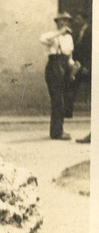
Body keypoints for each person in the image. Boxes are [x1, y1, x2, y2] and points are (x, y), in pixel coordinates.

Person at [40, 12, 75, 140]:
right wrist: (60, 33)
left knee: (64, 99)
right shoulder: (52, 36)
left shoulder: (69, 38)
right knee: (57, 100)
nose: (64, 23)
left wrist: (72, 68)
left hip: (65, 67)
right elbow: (42, 39)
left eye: (66, 21)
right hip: (54, 67)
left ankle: (59, 130)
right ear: (57, 23)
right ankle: (56, 132)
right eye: (61, 21)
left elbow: (69, 56)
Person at [67, 10, 92, 118]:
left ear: (84, 20)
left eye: (78, 19)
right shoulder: (77, 33)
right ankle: (67, 112)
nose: (76, 21)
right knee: (72, 86)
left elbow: (92, 50)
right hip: (78, 65)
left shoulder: (91, 32)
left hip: (87, 66)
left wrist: (88, 65)